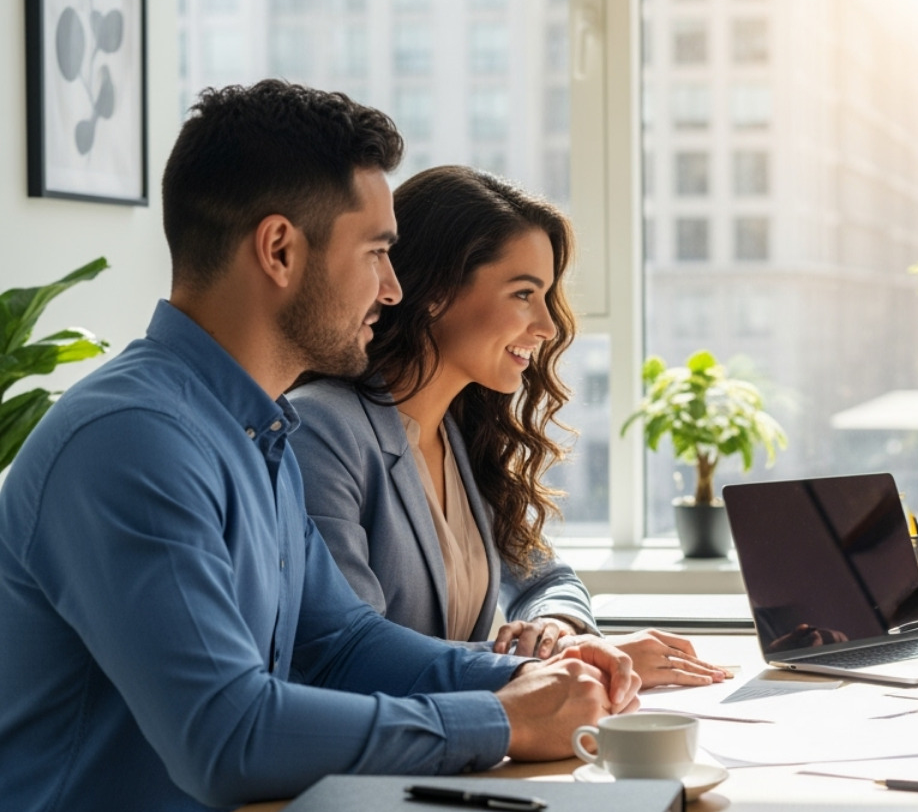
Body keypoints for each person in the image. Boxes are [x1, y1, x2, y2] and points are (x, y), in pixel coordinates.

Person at [0, 82, 640, 812]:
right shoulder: (131, 441)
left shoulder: (250, 432)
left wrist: (521, 676)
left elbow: (337, 643)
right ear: (279, 250)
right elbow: (226, 735)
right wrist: (505, 721)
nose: (393, 289)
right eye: (376, 253)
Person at [288, 166, 728, 687]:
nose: (546, 326)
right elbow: (352, 656)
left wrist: (557, 627)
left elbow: (548, 576)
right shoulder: (319, 430)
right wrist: (559, 666)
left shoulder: (460, 433)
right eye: (523, 294)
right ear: (437, 291)